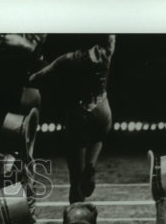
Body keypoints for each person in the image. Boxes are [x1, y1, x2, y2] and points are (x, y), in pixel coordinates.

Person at [30, 36, 116, 203]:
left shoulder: (67, 59)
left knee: (75, 178)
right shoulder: (106, 53)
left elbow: (38, 77)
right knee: (98, 138)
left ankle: (76, 211)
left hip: (78, 113)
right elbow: (111, 36)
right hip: (102, 109)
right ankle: (91, 164)